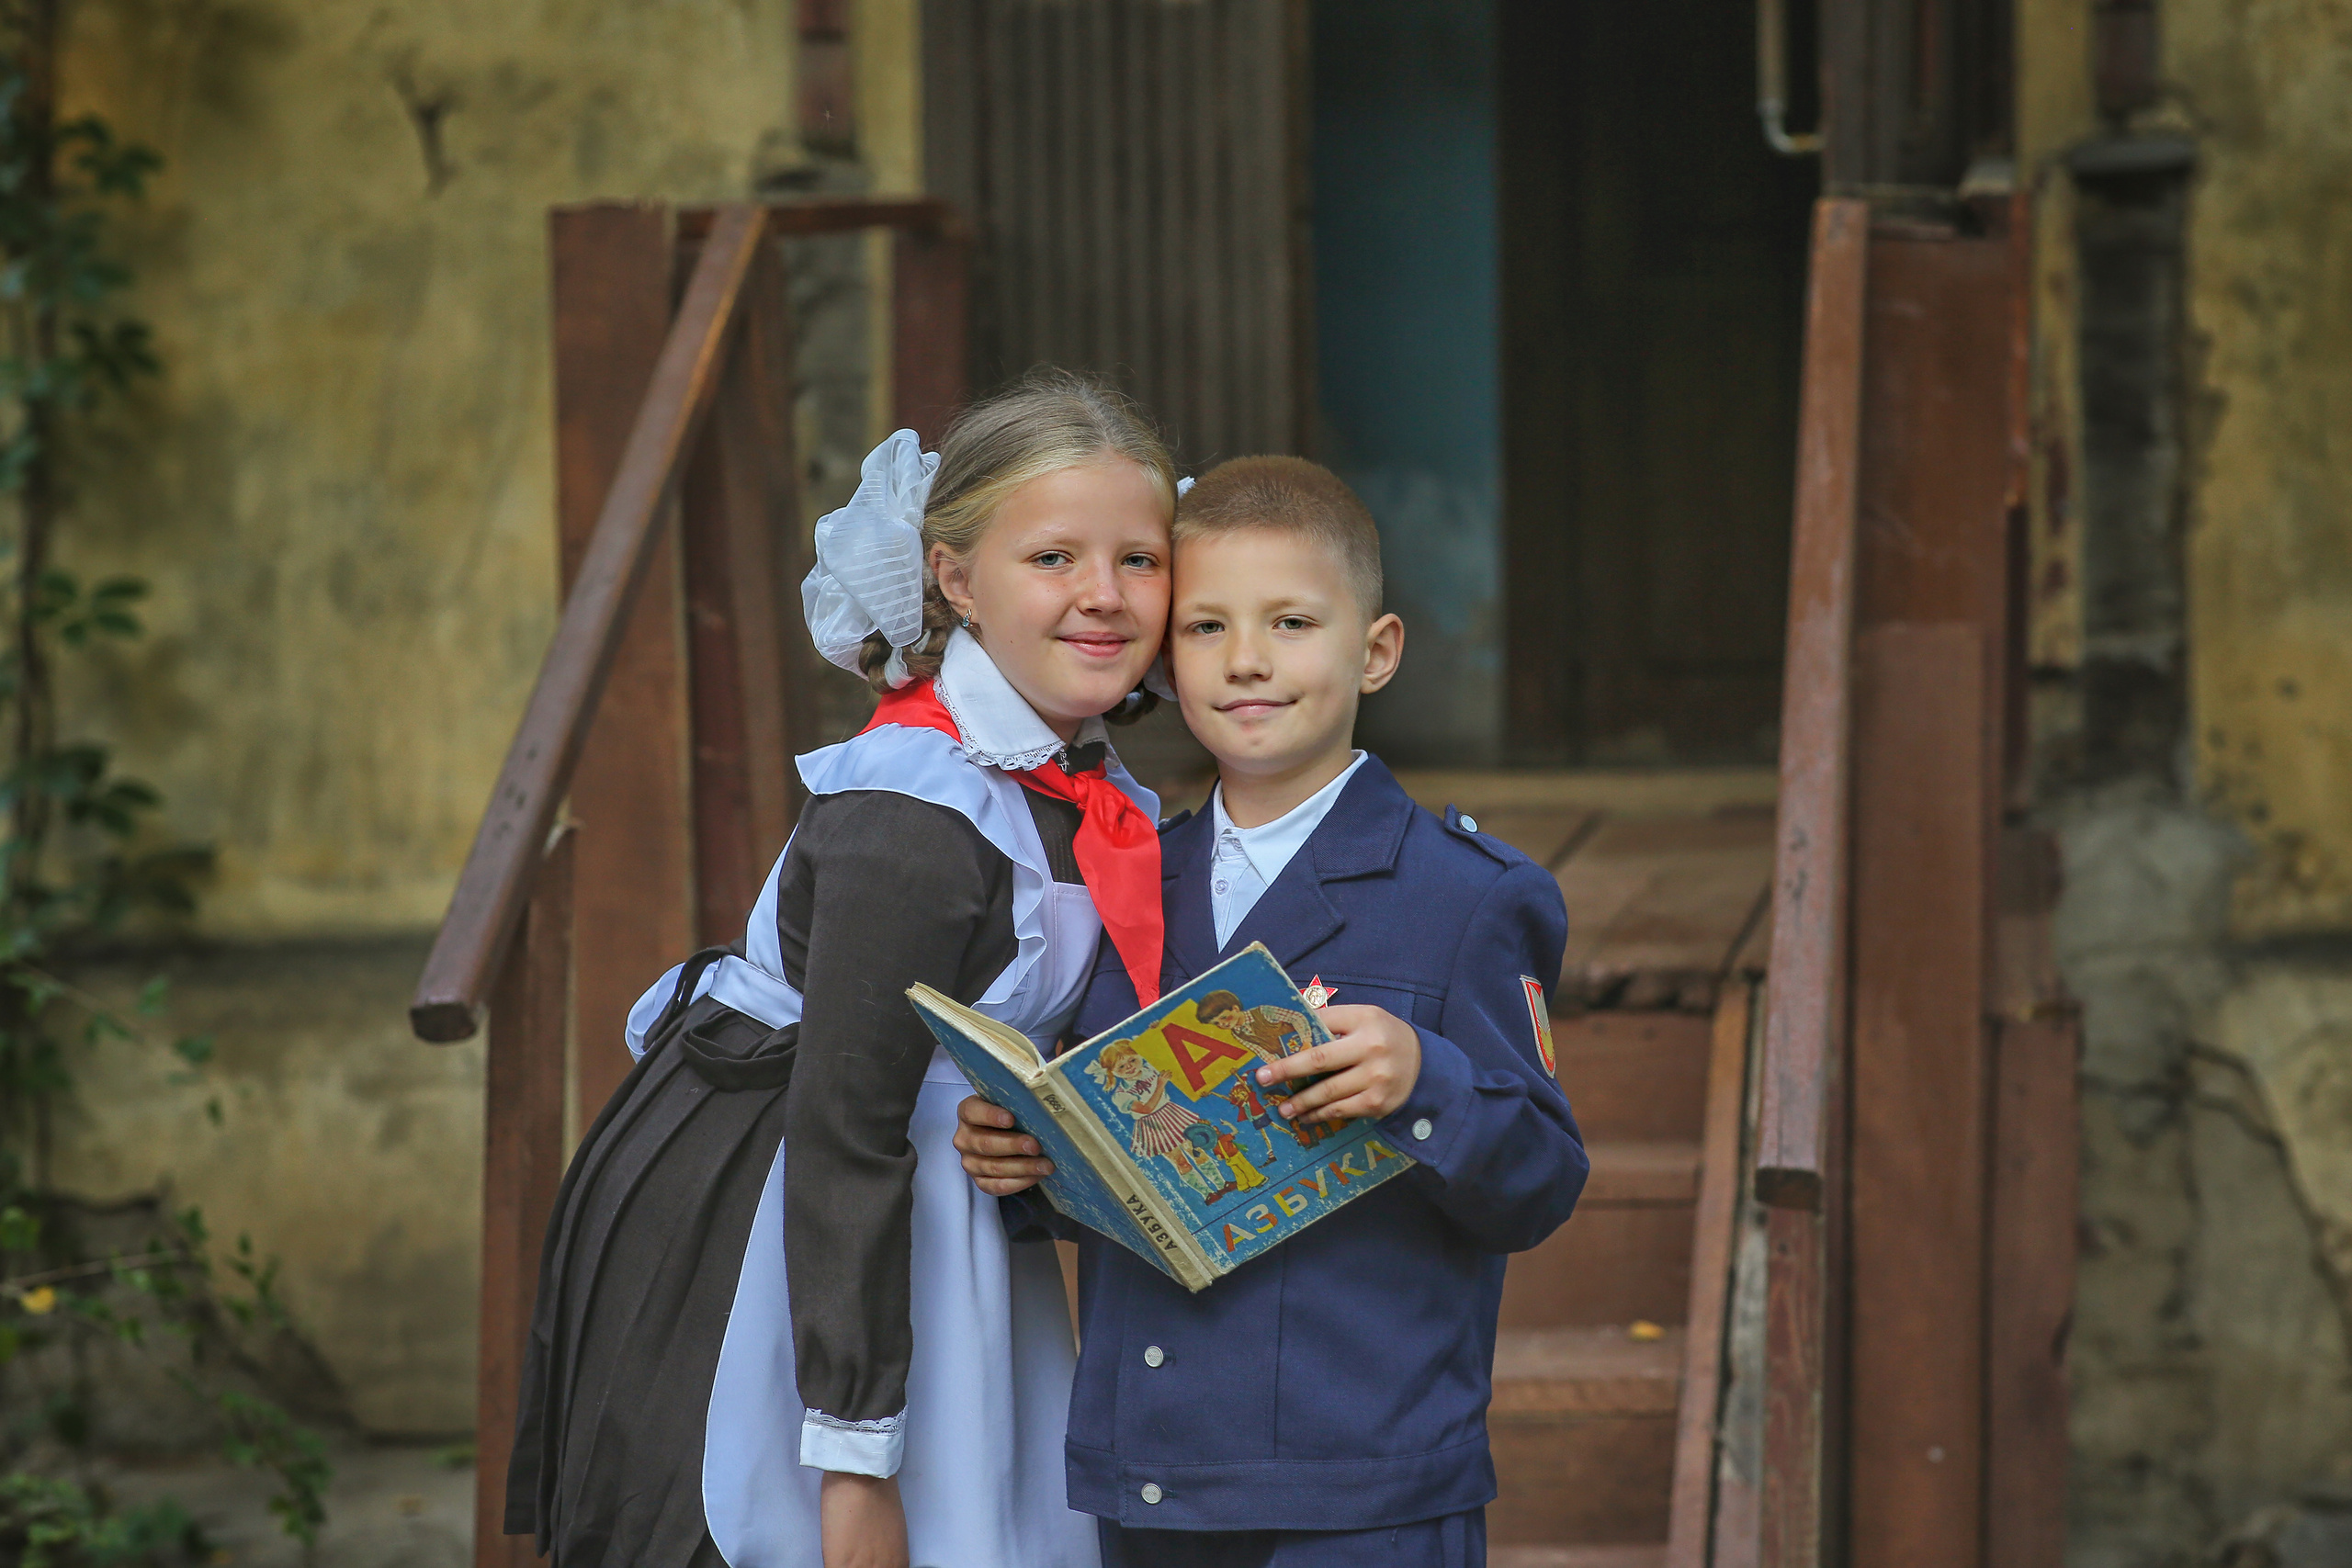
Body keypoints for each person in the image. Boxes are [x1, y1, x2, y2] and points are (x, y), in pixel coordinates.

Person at [505, 371, 1178, 1568]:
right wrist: (856, 1463)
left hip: (942, 1218)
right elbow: (846, 1126)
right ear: (956, 579)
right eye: (1054, 557)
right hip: (795, 1236)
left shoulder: (1087, 784)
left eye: (1140, 558)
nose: (1104, 595)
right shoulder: (912, 816)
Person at [955, 456, 1589, 1568]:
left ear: (1376, 649)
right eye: (1204, 628)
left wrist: (1423, 1080)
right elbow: (1146, 1166)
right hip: (1146, 1481)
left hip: (1364, 1496)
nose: (1246, 661)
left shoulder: (1469, 896)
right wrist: (1029, 1157)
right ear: (1165, 655)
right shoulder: (1120, 878)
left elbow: (1539, 1179)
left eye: (1291, 622)